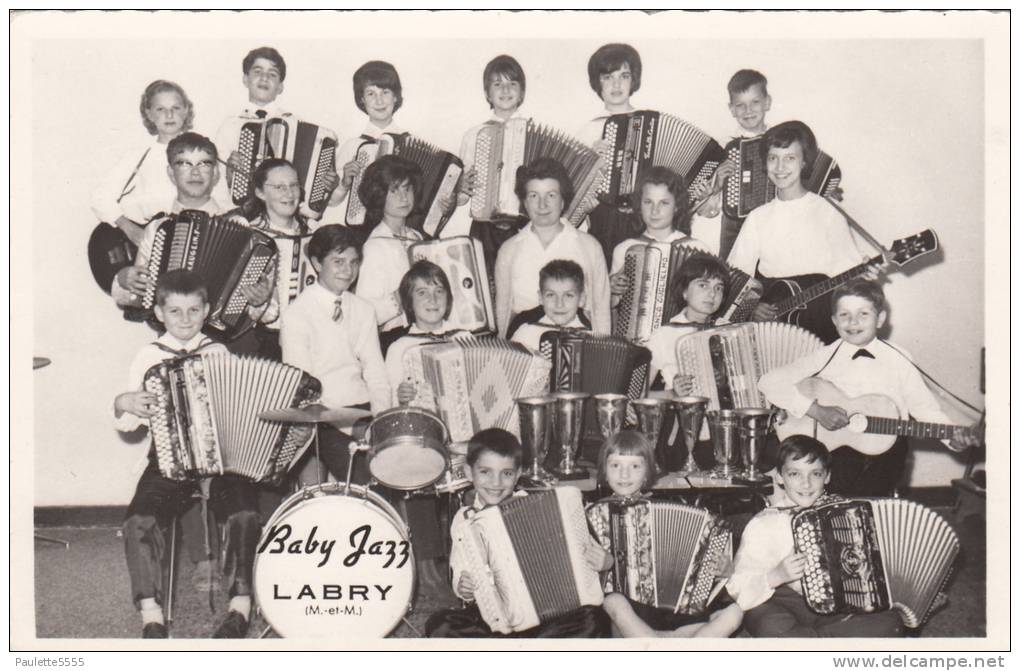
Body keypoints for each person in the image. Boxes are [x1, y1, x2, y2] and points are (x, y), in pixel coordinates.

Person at [114, 269, 259, 639]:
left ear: (207, 310)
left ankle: (240, 607)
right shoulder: (148, 356)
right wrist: (124, 403)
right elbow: (128, 424)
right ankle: (151, 614)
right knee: (137, 521)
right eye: (175, 311)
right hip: (167, 461)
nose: (185, 320)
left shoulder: (218, 351)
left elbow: (237, 408)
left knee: (243, 513)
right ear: (160, 313)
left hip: (219, 462)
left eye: (194, 310)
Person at [757, 280, 979, 497]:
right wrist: (814, 410)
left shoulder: (900, 358)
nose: (853, 322)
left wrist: (953, 437)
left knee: (881, 481)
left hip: (886, 455)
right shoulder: (824, 356)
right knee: (835, 483)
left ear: (880, 318)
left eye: (863, 314)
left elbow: (925, 409)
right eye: (845, 315)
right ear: (834, 320)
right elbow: (767, 382)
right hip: (838, 456)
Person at [426, 428, 612, 638]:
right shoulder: (464, 519)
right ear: (469, 472)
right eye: (485, 472)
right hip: (495, 617)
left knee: (593, 618)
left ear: (517, 474)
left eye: (506, 474)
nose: (496, 483)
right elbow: (459, 568)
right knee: (439, 624)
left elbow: (581, 555)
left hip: (548, 616)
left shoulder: (537, 505)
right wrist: (464, 587)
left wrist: (602, 562)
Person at [727, 435, 905, 637]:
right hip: (785, 602)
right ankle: (831, 645)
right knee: (767, 621)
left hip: (840, 606)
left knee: (890, 623)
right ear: (779, 477)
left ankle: (811, 645)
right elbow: (737, 586)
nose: (806, 484)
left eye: (816, 474)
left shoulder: (849, 515)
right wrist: (776, 576)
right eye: (795, 474)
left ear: (827, 476)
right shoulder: (764, 523)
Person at [726, 120, 869, 342]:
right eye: (773, 158)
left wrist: (864, 275)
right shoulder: (757, 218)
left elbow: (848, 276)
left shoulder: (827, 212)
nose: (780, 167)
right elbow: (735, 277)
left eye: (790, 158)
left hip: (821, 322)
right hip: (775, 331)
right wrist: (753, 306)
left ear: (804, 162)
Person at [593, 431, 744, 638]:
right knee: (614, 602)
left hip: (678, 612)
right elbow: (581, 578)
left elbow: (706, 569)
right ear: (604, 470)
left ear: (647, 472)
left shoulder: (665, 508)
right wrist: (602, 567)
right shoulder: (595, 513)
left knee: (734, 613)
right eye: (615, 465)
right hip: (631, 614)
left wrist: (723, 570)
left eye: (635, 466)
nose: (624, 475)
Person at [110, 133, 268, 317]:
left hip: (224, 339)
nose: (195, 172)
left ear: (215, 172)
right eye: (184, 163)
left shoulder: (240, 223)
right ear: (171, 173)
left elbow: (262, 311)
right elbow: (137, 298)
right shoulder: (158, 227)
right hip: (174, 336)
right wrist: (123, 280)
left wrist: (260, 301)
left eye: (204, 163)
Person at [279, 224, 390, 484]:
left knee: (398, 467)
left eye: (353, 262)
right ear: (317, 263)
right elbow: (305, 392)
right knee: (367, 478)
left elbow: (375, 373)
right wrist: (351, 427)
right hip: (322, 419)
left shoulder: (363, 310)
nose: (348, 271)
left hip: (363, 412)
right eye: (338, 262)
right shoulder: (297, 314)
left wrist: (380, 421)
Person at [494, 157, 611, 337]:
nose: (542, 205)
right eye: (534, 196)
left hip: (578, 345)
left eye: (551, 195)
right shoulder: (509, 250)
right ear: (524, 202)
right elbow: (503, 313)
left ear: (563, 201)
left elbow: (601, 310)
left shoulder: (589, 246)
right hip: (523, 345)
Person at [231, 157, 319, 359]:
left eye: (294, 185)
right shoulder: (248, 236)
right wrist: (259, 302)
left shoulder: (315, 233)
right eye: (279, 187)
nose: (289, 193)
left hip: (312, 339)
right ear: (260, 192)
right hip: (262, 342)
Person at [452, 55, 530, 280]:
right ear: (487, 93)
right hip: (484, 226)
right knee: (486, 284)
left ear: (522, 92)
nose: (505, 90)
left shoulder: (532, 132)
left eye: (512, 84)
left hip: (523, 225)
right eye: (498, 84)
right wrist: (462, 188)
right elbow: (461, 198)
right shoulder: (474, 135)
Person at [91, 80, 195, 246]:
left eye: (176, 108)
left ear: (186, 110)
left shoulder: (204, 154)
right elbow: (100, 197)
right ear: (149, 114)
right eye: (160, 109)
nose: (169, 115)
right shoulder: (138, 156)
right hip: (140, 247)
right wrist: (130, 229)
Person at [576, 43, 646, 264]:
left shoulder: (648, 121)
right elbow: (574, 189)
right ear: (598, 83)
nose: (616, 84)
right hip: (604, 219)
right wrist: (589, 163)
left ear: (633, 80)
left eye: (624, 76)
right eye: (608, 77)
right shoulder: (588, 130)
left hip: (642, 217)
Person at [608, 167, 711, 311]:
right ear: (639, 205)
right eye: (648, 202)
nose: (655, 210)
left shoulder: (698, 249)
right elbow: (611, 306)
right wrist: (611, 290)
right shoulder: (625, 248)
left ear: (677, 207)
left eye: (664, 203)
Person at [322, 60, 407, 227]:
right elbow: (331, 201)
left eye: (385, 92)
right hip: (362, 229)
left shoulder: (409, 142)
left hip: (403, 230)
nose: (379, 101)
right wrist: (345, 182)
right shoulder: (352, 146)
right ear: (361, 100)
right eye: (371, 94)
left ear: (396, 96)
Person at [354, 155, 425, 331]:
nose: (404, 198)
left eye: (407, 189)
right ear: (379, 196)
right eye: (394, 191)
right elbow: (366, 315)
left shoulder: (417, 237)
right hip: (393, 337)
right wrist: (402, 297)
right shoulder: (374, 247)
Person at [384, 260, 458, 406]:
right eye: (422, 292)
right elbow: (390, 405)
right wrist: (400, 399)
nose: (433, 300)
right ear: (409, 302)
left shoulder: (464, 338)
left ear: (448, 298)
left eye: (439, 291)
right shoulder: (399, 349)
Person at [508, 259, 592, 352]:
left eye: (568, 295)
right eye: (551, 295)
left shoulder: (591, 336)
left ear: (581, 299)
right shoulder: (525, 333)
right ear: (540, 298)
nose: (559, 304)